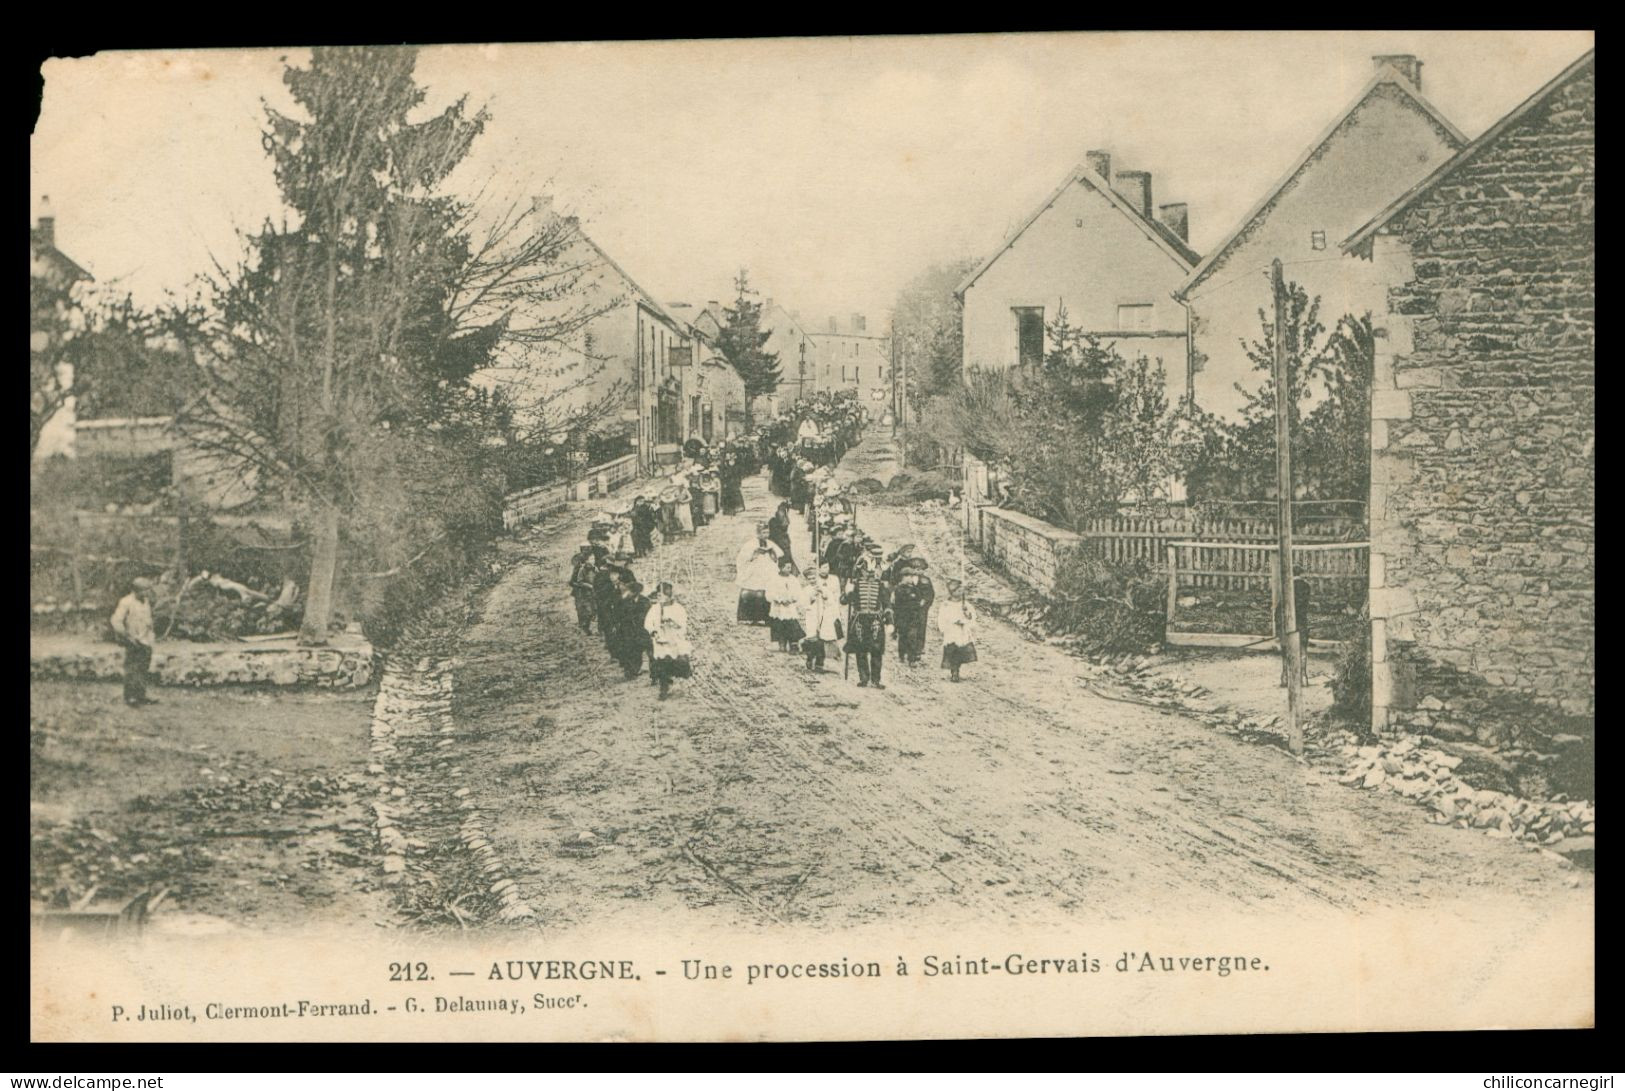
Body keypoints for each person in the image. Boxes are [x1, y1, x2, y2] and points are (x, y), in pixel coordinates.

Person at [842, 546, 891, 689]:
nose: (869, 573)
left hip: (876, 620)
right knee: (861, 650)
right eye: (865, 571)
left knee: (876, 650)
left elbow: (887, 604)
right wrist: (848, 591)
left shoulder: (880, 586)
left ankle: (876, 679)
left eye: (871, 571)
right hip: (859, 620)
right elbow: (844, 601)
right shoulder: (856, 585)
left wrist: (889, 621)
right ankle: (863, 678)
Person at [110, 577, 159, 706]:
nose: (148, 593)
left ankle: (141, 695)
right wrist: (125, 635)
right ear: (136, 590)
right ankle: (130, 696)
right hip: (133, 640)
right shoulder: (126, 602)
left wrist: (151, 633)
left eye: (148, 590)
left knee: (143, 667)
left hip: (145, 639)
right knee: (132, 668)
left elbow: (147, 618)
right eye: (145, 590)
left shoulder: (145, 601)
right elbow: (116, 620)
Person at [645, 582, 692, 700]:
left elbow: (683, 625)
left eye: (661, 595)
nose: (659, 598)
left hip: (674, 640)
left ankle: (680, 683)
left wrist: (672, 623)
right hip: (661, 641)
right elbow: (648, 622)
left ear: (668, 595)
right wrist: (653, 631)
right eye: (658, 595)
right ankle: (664, 687)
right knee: (662, 664)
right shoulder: (655, 608)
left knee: (677, 661)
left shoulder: (678, 609)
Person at [892, 557, 936, 667]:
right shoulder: (903, 583)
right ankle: (905, 652)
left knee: (920, 629)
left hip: (920, 609)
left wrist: (925, 603)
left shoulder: (925, 580)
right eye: (914, 568)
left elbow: (930, 594)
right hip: (907, 610)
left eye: (919, 569)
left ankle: (918, 650)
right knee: (906, 631)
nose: (917, 571)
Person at [734, 526, 782, 626]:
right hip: (754, 571)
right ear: (758, 533)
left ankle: (766, 618)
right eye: (763, 533)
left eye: (767, 533)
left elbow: (778, 555)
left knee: (766, 591)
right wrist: (754, 554)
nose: (766, 535)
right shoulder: (750, 544)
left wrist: (771, 553)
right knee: (752, 591)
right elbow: (742, 558)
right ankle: (749, 617)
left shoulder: (770, 543)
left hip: (767, 570)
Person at [1276, 568, 1312, 687]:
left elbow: (1280, 606)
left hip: (1287, 620)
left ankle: (1285, 676)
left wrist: (1278, 625)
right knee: (1302, 648)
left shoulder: (1286, 586)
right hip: (1301, 620)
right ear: (1301, 573)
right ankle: (1303, 677)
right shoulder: (1307, 587)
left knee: (1285, 649)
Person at [800, 570, 840, 673]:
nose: (812, 580)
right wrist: (811, 599)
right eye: (810, 579)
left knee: (822, 640)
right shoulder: (806, 590)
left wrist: (824, 595)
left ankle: (819, 663)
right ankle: (810, 658)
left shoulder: (823, 588)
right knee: (813, 639)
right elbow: (803, 605)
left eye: (814, 578)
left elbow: (831, 602)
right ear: (807, 580)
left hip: (823, 616)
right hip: (812, 616)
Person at [939, 581, 978, 683]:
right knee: (953, 650)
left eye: (961, 591)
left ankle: (957, 669)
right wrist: (945, 627)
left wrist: (967, 615)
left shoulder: (965, 604)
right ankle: (954, 671)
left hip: (962, 631)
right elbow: (942, 617)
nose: (961, 593)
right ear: (952, 592)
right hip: (951, 631)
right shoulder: (946, 605)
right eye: (958, 591)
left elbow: (972, 616)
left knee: (960, 651)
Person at [768, 557, 807, 653]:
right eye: (787, 568)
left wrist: (792, 599)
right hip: (779, 607)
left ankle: (793, 644)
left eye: (790, 568)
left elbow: (798, 592)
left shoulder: (793, 579)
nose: (789, 570)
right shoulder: (774, 579)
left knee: (791, 625)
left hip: (790, 607)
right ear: (781, 568)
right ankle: (781, 644)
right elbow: (770, 593)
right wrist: (780, 600)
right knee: (779, 625)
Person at [568, 544, 598, 634]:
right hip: (580, 591)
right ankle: (583, 624)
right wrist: (580, 585)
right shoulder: (579, 568)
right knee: (581, 608)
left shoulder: (594, 567)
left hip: (589, 591)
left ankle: (587, 622)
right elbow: (572, 581)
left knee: (591, 607)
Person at [767, 500, 795, 570]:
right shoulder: (774, 521)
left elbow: (785, 524)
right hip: (778, 541)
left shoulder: (784, 517)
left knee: (786, 557)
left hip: (783, 540)